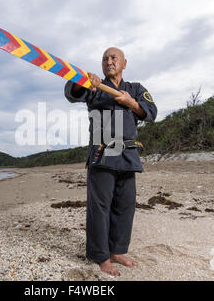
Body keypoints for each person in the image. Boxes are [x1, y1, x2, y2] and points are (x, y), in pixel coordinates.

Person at [64, 47, 157, 276]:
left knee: (125, 206)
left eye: (114, 58)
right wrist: (83, 81)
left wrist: (131, 103)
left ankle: (116, 251)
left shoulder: (135, 89)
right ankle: (101, 256)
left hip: (128, 155)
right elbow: (71, 92)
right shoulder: (94, 87)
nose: (109, 61)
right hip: (102, 154)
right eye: (105, 59)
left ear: (124, 63)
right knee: (100, 208)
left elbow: (152, 112)